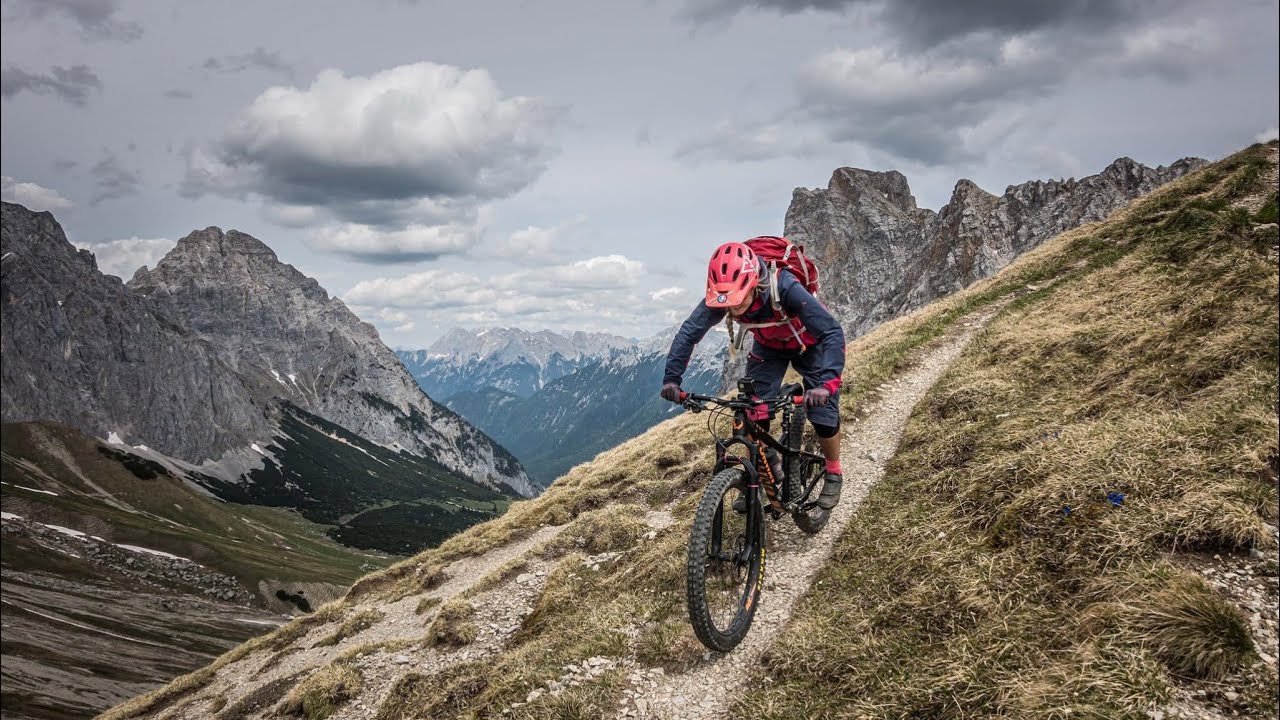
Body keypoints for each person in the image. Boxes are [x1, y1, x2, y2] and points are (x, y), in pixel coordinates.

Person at [660, 240, 846, 509]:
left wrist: (826, 385)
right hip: (769, 347)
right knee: (752, 410)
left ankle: (833, 471)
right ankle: (763, 471)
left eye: (739, 301)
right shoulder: (724, 294)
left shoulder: (784, 287)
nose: (732, 310)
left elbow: (830, 332)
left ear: (752, 283)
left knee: (823, 416)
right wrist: (672, 379)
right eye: (728, 304)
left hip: (810, 345)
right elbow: (689, 333)